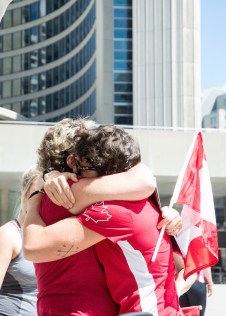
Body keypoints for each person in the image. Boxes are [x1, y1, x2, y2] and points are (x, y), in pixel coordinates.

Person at [23, 123, 183, 315]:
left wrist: (35, 199)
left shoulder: (113, 211)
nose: (77, 171)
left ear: (107, 172)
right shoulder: (138, 199)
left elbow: (33, 247)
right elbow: (145, 179)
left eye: (82, 165)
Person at [0, 167, 39, 315]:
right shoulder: (8, 234)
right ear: (25, 193)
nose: (42, 200)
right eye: (36, 193)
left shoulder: (51, 234)